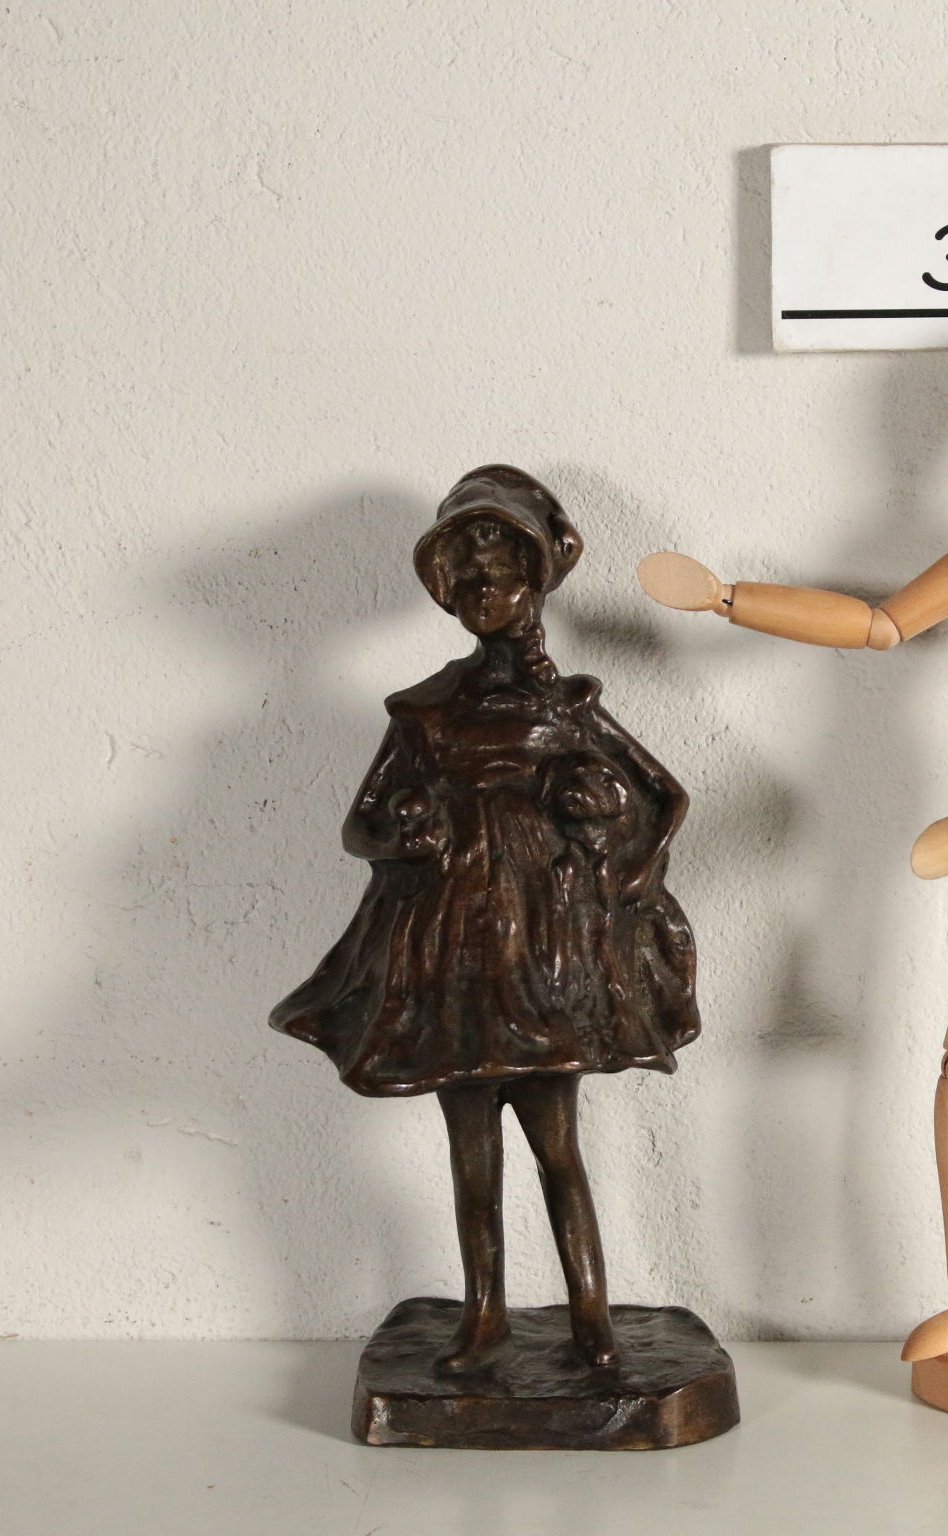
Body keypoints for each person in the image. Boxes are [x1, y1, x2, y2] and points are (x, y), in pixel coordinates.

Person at [271, 466, 699, 1371]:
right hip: (455, 953)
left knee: (557, 1147)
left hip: (544, 955)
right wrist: (404, 830)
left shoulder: (564, 705)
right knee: (473, 1155)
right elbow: (360, 825)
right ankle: (484, 1318)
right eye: (466, 582)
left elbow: (663, 796)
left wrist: (616, 848)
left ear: (535, 581)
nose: (482, 594)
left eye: (498, 576)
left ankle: (592, 1321)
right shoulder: (427, 710)